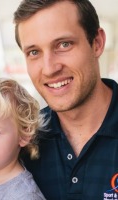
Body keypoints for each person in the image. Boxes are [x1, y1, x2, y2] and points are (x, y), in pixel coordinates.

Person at [14, 0, 118, 199]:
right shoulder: (21, 143)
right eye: (34, 52)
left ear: (97, 43)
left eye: (64, 44)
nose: (50, 68)